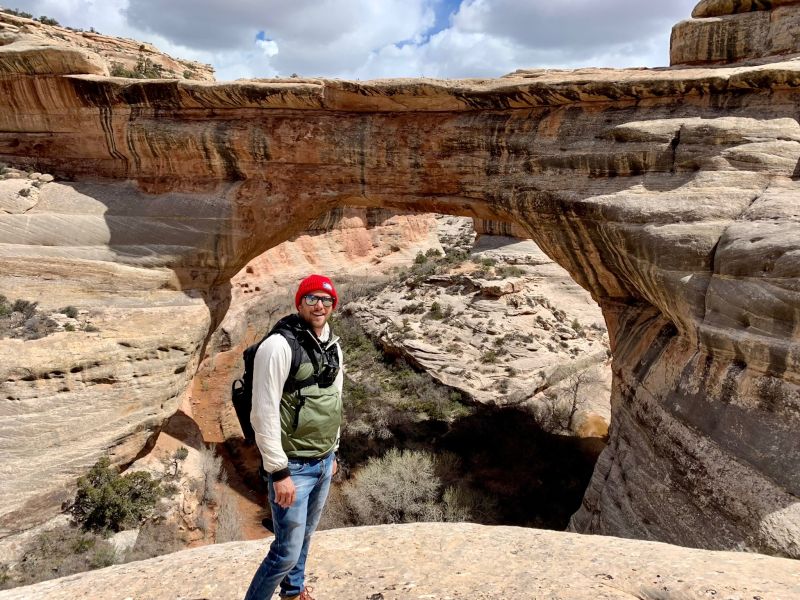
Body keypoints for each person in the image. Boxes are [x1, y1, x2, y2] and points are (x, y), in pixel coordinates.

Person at [244, 274, 343, 600]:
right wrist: (278, 471)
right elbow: (263, 413)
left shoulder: (332, 346)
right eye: (312, 298)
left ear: (333, 305)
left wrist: (334, 452)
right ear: (299, 302)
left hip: (323, 460)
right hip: (293, 467)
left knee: (306, 535)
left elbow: (335, 401)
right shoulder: (277, 346)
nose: (319, 305)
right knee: (285, 551)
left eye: (326, 299)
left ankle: (293, 590)